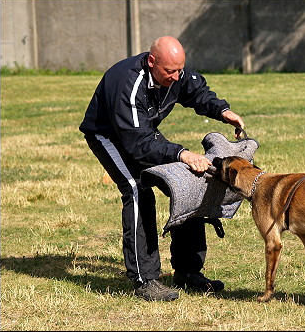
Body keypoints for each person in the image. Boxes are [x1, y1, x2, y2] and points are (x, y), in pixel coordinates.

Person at [79, 36, 245, 301]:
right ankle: (145, 280)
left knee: (188, 182)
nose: (177, 76)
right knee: (137, 189)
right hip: (108, 135)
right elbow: (137, 144)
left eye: (180, 69)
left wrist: (223, 111)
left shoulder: (174, 72)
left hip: (142, 134)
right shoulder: (128, 85)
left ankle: (188, 271)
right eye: (170, 71)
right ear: (152, 61)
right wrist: (182, 153)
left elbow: (197, 92)